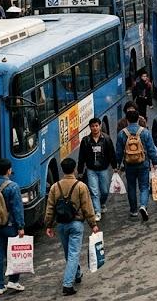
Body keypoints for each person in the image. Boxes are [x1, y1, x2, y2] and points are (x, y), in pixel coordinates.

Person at [44, 158, 99, 296]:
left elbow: (50, 208)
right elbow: (87, 207)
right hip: (76, 224)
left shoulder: (55, 187)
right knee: (73, 253)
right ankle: (67, 285)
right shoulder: (81, 186)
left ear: (62, 170)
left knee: (69, 252)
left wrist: (48, 225)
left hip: (61, 225)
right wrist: (93, 224)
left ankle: (77, 274)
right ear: (74, 169)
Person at [0, 158, 26, 295]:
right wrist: (21, 226)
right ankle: (13, 281)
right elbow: (17, 208)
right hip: (10, 225)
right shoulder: (13, 186)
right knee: (14, 254)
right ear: (9, 170)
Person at [115, 109, 157, 221]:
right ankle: (143, 206)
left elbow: (119, 152)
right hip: (143, 163)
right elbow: (151, 149)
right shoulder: (145, 132)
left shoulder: (122, 134)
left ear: (127, 120)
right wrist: (154, 163)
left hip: (129, 164)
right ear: (138, 119)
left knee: (131, 186)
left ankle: (133, 210)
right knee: (144, 186)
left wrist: (117, 165)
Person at [77, 117, 117, 220]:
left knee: (104, 191)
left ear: (99, 126)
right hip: (91, 170)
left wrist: (114, 166)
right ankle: (97, 212)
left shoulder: (106, 139)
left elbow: (111, 153)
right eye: (92, 126)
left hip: (104, 169)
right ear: (90, 128)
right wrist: (80, 171)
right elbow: (81, 157)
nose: (95, 128)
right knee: (94, 192)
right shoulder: (86, 141)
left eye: (96, 126)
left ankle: (102, 203)